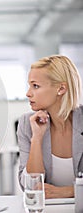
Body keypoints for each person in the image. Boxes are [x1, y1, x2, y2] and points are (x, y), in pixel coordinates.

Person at [17, 55, 83, 198]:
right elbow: (30, 187)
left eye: (35, 86)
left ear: (61, 88)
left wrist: (66, 192)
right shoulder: (27, 123)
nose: (28, 93)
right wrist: (37, 138)